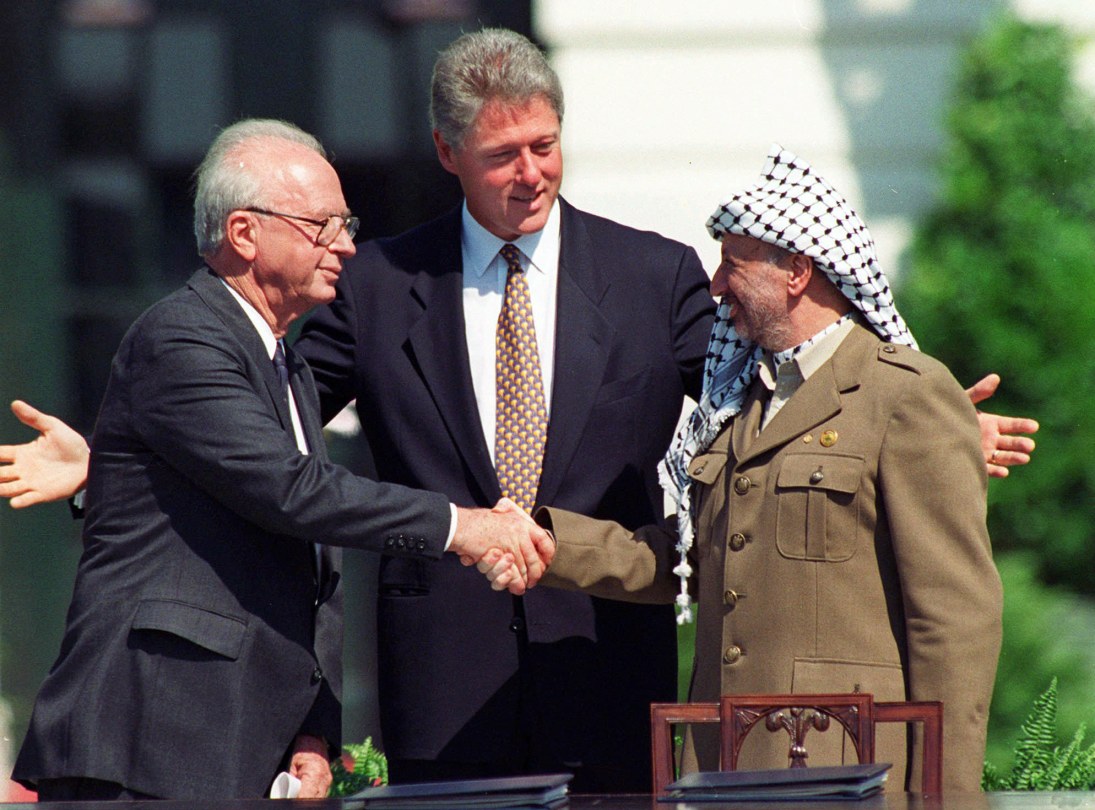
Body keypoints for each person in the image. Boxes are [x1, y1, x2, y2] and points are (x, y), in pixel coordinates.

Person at [0, 30, 1036, 793]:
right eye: (503, 155)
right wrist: (114, 460)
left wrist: (924, 427)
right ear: (450, 155)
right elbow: (263, 439)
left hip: (611, 676)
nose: (531, 172)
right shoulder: (374, 282)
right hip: (445, 694)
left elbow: (765, 402)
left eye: (545, 145)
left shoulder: (654, 273)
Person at [8, 119, 552, 802]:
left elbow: (302, 556)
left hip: (235, 741)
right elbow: (293, 492)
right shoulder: (181, 338)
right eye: (322, 226)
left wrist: (312, 731)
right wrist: (464, 526)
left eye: (346, 223)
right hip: (150, 737)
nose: (347, 245)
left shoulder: (284, 361)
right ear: (243, 233)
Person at [486, 146, 1005, 792]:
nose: (714, 286)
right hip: (723, 766)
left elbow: (954, 618)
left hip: (845, 773)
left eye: (732, 264)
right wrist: (548, 542)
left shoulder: (904, 395)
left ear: (795, 271)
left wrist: (945, 794)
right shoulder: (736, 403)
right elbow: (692, 562)